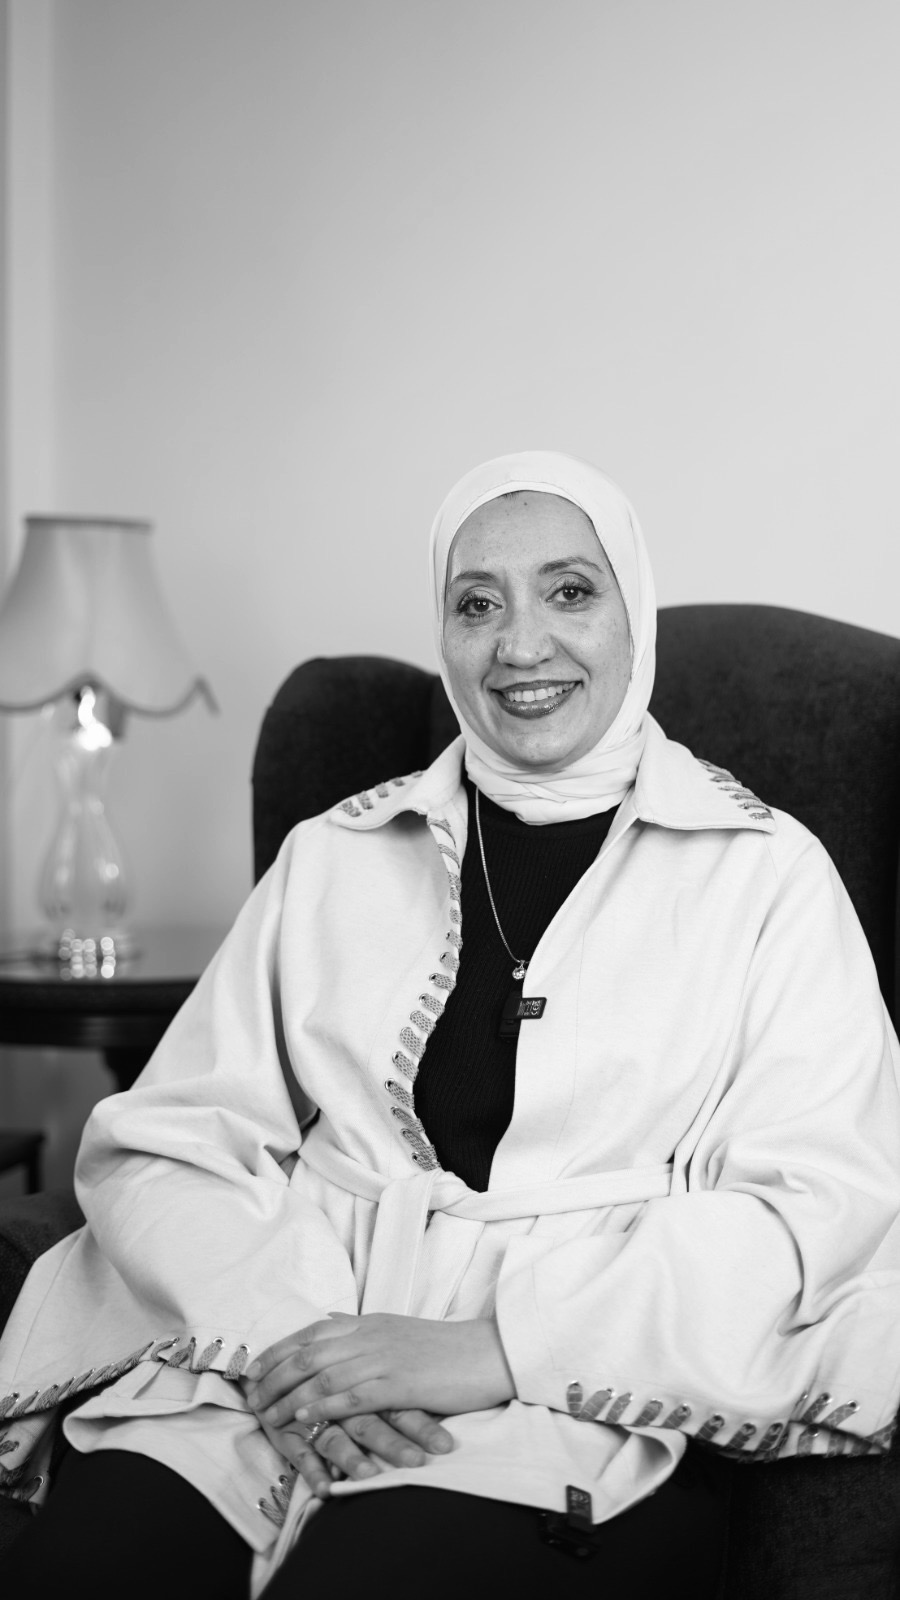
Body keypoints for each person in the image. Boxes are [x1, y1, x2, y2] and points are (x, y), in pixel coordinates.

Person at [2, 451, 900, 1599]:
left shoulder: (767, 875)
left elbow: (817, 1204)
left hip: (573, 1388)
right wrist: (292, 1345)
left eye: (569, 591)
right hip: (278, 1353)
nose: (522, 644)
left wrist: (497, 1344)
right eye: (478, 603)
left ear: (634, 612)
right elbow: (169, 1141)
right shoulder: (333, 857)